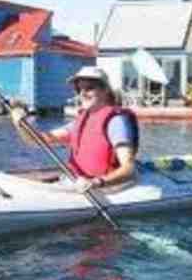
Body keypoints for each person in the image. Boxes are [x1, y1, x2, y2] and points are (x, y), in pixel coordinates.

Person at [9, 66, 139, 193]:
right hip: (79, 182)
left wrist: (96, 182)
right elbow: (35, 141)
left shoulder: (116, 122)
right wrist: (20, 124)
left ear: (105, 90)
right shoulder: (80, 122)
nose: (82, 93)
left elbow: (129, 168)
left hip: (107, 187)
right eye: (79, 89)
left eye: (89, 88)